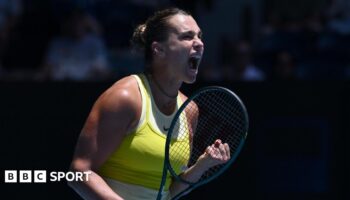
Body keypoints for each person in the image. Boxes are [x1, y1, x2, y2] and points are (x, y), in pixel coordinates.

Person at [68, 8, 230, 200]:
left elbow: (169, 192)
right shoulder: (125, 98)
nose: (199, 43)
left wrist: (202, 165)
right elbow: (78, 174)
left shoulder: (189, 110)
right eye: (187, 37)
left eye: (199, 36)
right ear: (158, 49)